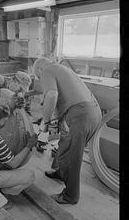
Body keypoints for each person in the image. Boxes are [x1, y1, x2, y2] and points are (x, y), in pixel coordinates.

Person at [33, 57, 102, 205]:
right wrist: (53, 125)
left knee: (72, 157)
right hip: (92, 113)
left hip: (79, 115)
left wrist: (45, 122)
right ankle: (59, 172)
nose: (41, 80)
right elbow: (60, 102)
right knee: (64, 146)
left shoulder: (47, 70)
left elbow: (51, 95)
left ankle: (70, 196)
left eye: (39, 78)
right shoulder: (64, 69)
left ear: (39, 69)